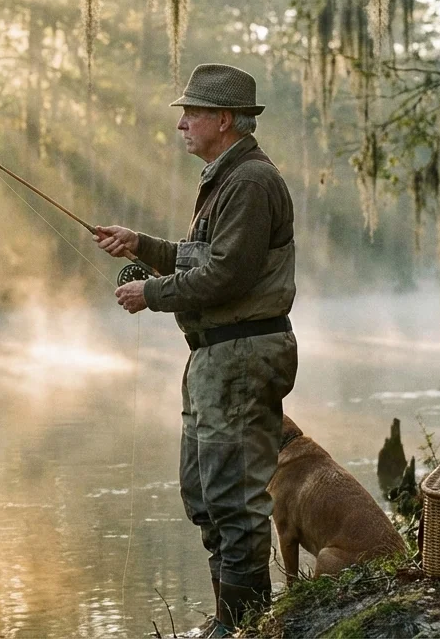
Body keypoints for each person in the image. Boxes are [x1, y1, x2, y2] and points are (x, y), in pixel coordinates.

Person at [95, 64, 297, 637]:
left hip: (240, 355)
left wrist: (149, 293)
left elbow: (227, 277)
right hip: (215, 358)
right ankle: (233, 623)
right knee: (205, 496)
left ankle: (248, 627)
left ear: (224, 120)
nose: (182, 122)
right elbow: (204, 258)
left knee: (233, 503)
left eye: (193, 112)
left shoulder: (252, 182)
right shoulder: (225, 178)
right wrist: (142, 246)